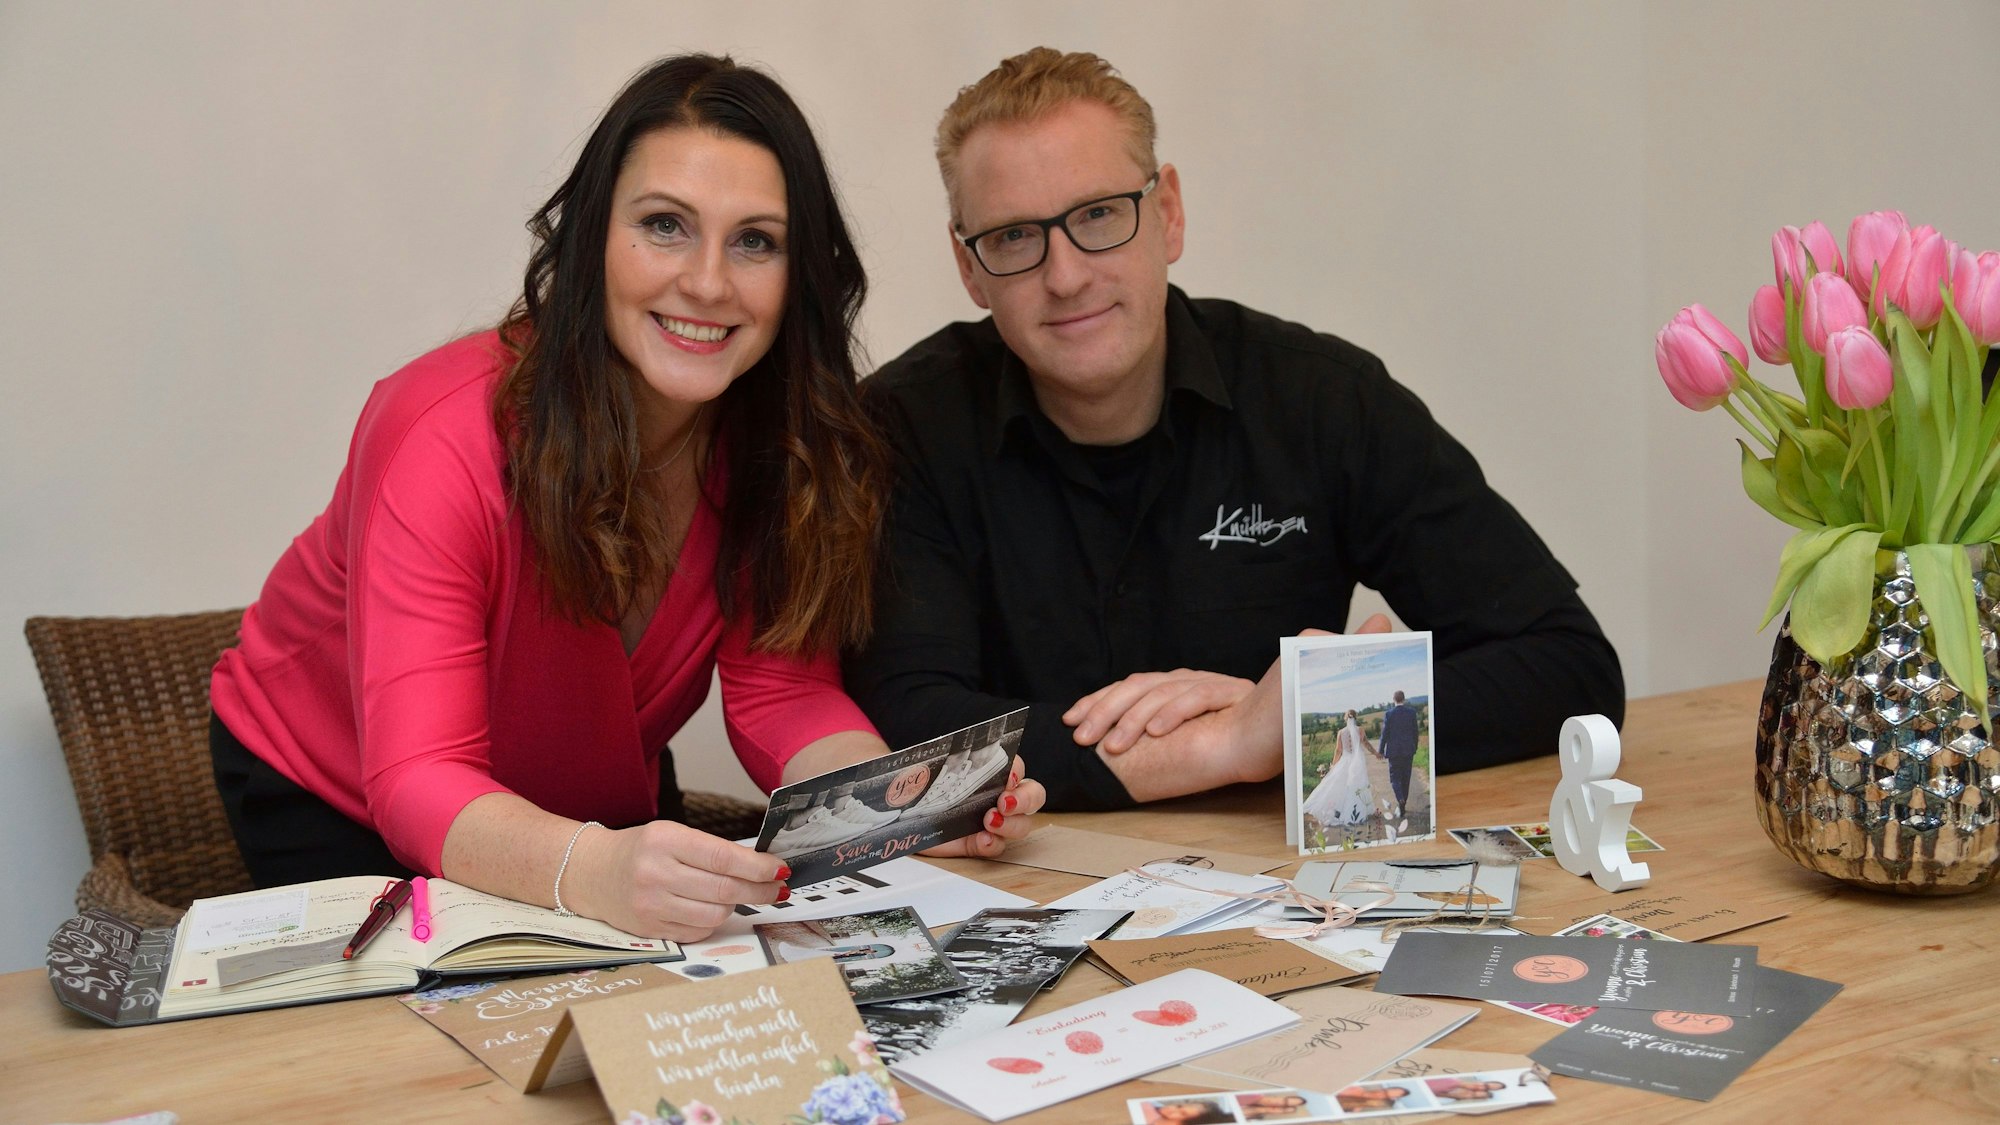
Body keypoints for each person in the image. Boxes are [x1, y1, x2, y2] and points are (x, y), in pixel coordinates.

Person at [207, 54, 1042, 941]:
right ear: (591, 239)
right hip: (341, 792)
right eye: (665, 225)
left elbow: (781, 694)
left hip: (589, 798)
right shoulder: (438, 430)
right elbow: (418, 777)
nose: (710, 282)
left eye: (755, 240)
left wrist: (897, 809)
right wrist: (594, 867)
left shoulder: (780, 441)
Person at [844, 47, 1624, 809]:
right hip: (1011, 889)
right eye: (1014, 236)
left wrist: (1302, 717)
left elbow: (1569, 668)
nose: (1066, 274)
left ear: (1169, 214)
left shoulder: (1320, 400)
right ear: (969, 265)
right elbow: (903, 735)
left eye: (1100, 215)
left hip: (1283, 892)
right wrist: (1221, 746)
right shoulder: (901, 429)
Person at [1300, 709, 1375, 831]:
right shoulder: (1360, 730)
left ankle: (1339, 809)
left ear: (1345, 718)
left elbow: (1338, 750)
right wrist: (1376, 753)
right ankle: (1358, 811)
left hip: (1345, 761)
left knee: (1340, 784)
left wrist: (1334, 765)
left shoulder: (1341, 732)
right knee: (1358, 785)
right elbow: (1366, 743)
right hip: (1357, 762)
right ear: (1356, 718)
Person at [1380, 690, 1421, 821]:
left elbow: (1385, 733)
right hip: (1408, 750)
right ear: (1404, 699)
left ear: (1394, 699)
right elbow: (1415, 732)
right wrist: (1415, 746)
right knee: (1406, 778)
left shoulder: (1389, 714)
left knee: (1394, 778)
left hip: (1394, 752)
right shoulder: (1412, 713)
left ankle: (1400, 799)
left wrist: (1381, 750)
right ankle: (1402, 806)